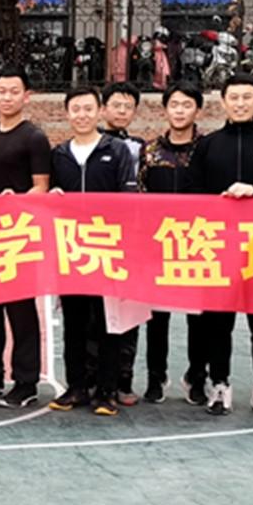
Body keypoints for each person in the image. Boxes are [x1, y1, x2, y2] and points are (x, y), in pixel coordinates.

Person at [186, 73, 253, 416]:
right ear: (223, 102)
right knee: (218, 322)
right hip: (220, 248)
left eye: (247, 97)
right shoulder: (208, 144)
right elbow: (193, 193)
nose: (241, 103)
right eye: (234, 97)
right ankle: (220, 383)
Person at [46, 87, 138, 416]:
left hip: (107, 247)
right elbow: (49, 197)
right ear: (67, 114)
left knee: (107, 322)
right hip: (71, 250)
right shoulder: (59, 154)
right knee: (74, 322)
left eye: (88, 108)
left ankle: (106, 390)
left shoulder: (117, 150)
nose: (82, 115)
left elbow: (128, 198)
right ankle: (76, 387)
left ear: (99, 111)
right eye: (76, 109)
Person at [0, 68, 49, 408]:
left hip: (20, 237)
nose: (7, 97)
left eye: (14, 91)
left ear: (26, 96)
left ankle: (26, 382)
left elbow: (41, 187)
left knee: (21, 311)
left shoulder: (35, 138)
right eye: (2, 91)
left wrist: (15, 202)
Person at [138, 82, 205, 405]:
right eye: (174, 105)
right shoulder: (150, 152)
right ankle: (156, 377)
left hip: (200, 243)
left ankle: (197, 377)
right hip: (159, 244)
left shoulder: (207, 149)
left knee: (199, 318)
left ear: (197, 110)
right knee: (157, 318)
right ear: (165, 109)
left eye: (187, 105)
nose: (180, 111)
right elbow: (138, 196)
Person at [100, 81, 146, 403]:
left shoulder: (145, 149)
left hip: (133, 241)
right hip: (97, 241)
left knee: (129, 315)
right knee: (95, 316)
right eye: (116, 105)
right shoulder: (88, 145)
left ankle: (123, 381)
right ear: (103, 108)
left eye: (128, 107)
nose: (121, 111)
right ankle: (94, 379)